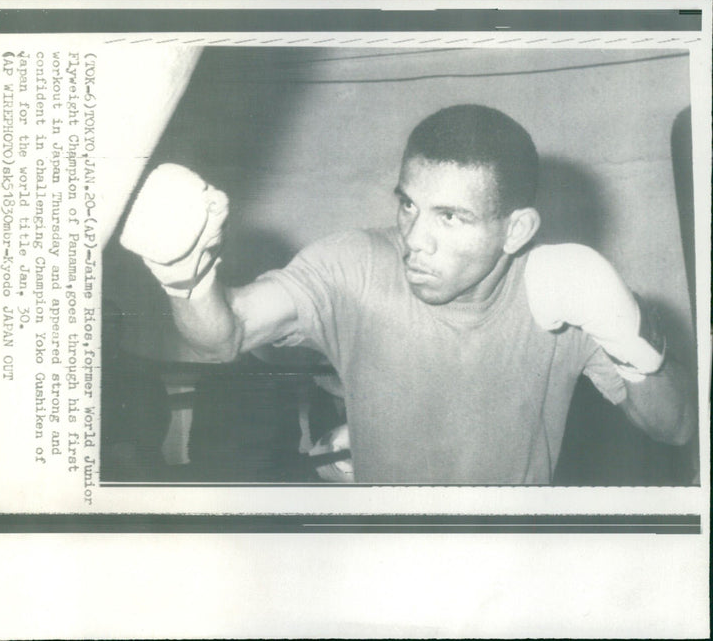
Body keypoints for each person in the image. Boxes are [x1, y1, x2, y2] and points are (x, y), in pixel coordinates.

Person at [120, 104, 695, 484]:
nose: (415, 239)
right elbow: (230, 333)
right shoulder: (354, 268)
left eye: (451, 217)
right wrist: (185, 275)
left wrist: (634, 337)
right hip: (386, 553)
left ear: (515, 230)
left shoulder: (563, 299)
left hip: (515, 561)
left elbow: (676, 428)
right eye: (408, 204)